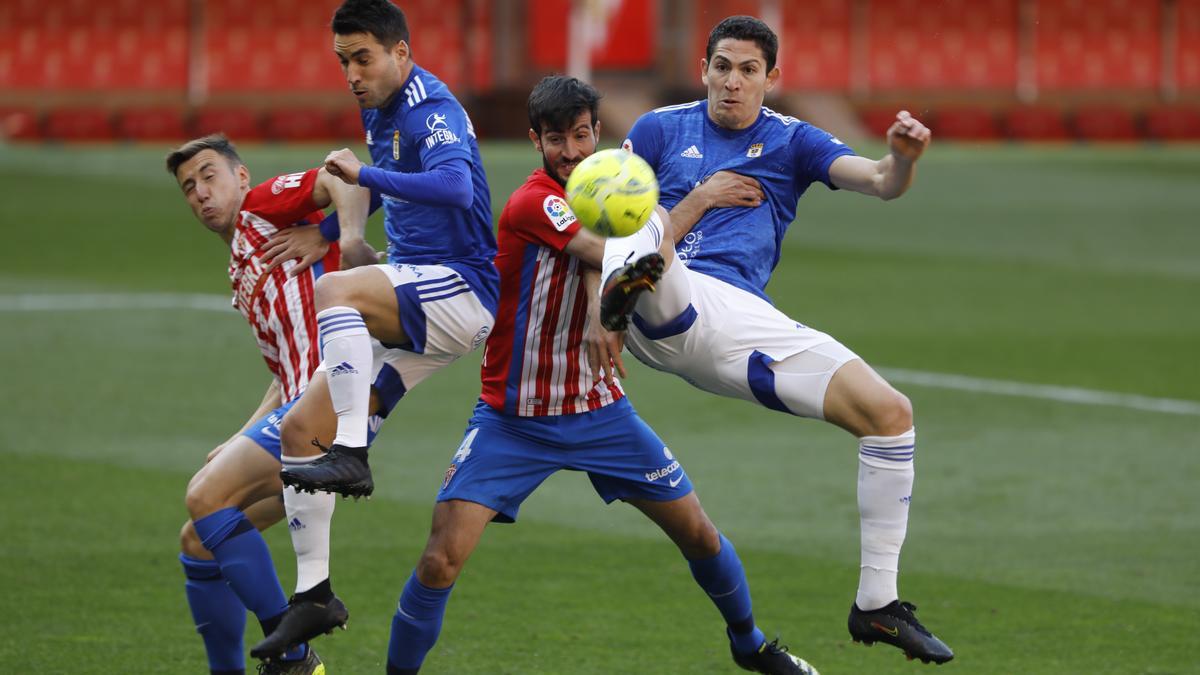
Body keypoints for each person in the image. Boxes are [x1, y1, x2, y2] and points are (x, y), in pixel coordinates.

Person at [384, 75, 817, 675]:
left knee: (698, 532)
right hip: (515, 419)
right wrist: (700, 199)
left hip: (598, 410)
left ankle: (751, 644)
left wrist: (602, 310)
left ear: (596, 134)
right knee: (440, 560)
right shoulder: (533, 201)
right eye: (557, 138)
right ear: (536, 140)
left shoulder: (610, 184)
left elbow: (615, 250)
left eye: (583, 135)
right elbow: (607, 252)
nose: (572, 152)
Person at [598, 15, 953, 665]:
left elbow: (877, 181)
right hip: (668, 302)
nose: (732, 82)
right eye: (722, 67)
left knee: (890, 415)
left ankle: (877, 604)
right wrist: (699, 200)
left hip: (733, 327)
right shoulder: (658, 129)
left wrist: (900, 159)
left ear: (772, 77)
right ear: (704, 69)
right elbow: (613, 227)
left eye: (748, 70)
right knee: (632, 206)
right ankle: (622, 298)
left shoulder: (792, 142)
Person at [249, 0, 500, 658]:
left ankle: (354, 451)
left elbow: (453, 188)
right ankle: (314, 597)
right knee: (302, 431)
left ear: (401, 54)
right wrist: (329, 230)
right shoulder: (381, 108)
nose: (352, 73)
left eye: (363, 58)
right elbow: (398, 182)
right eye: (343, 61)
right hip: (416, 291)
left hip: (461, 287)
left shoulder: (429, 107)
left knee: (336, 289)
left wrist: (360, 176)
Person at [168, 133, 380, 675]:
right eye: (189, 188)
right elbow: (282, 375)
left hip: (330, 398)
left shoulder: (263, 206)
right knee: (199, 540)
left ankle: (291, 656)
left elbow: (347, 175)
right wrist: (240, 436)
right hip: (299, 404)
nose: (201, 194)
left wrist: (335, 234)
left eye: (210, 176)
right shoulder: (241, 271)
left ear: (241, 177)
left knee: (205, 498)